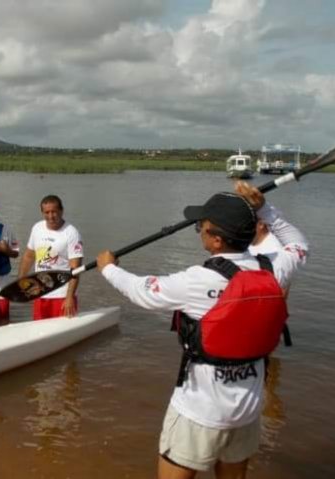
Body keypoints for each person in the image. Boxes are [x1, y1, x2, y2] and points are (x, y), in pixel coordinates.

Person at [96, 182, 309, 479]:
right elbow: (299, 244)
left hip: (199, 412)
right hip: (247, 411)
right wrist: (265, 208)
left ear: (217, 240)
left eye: (202, 226)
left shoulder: (195, 281)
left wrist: (108, 267)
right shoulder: (273, 269)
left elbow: (140, 291)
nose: (199, 230)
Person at [18, 195, 83, 319]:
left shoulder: (72, 233)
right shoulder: (37, 228)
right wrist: (20, 281)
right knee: (38, 331)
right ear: (42, 212)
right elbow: (28, 256)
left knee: (63, 334)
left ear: (61, 211)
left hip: (61, 294)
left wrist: (69, 297)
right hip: (40, 293)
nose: (51, 216)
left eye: (54, 211)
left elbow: (76, 269)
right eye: (47, 212)